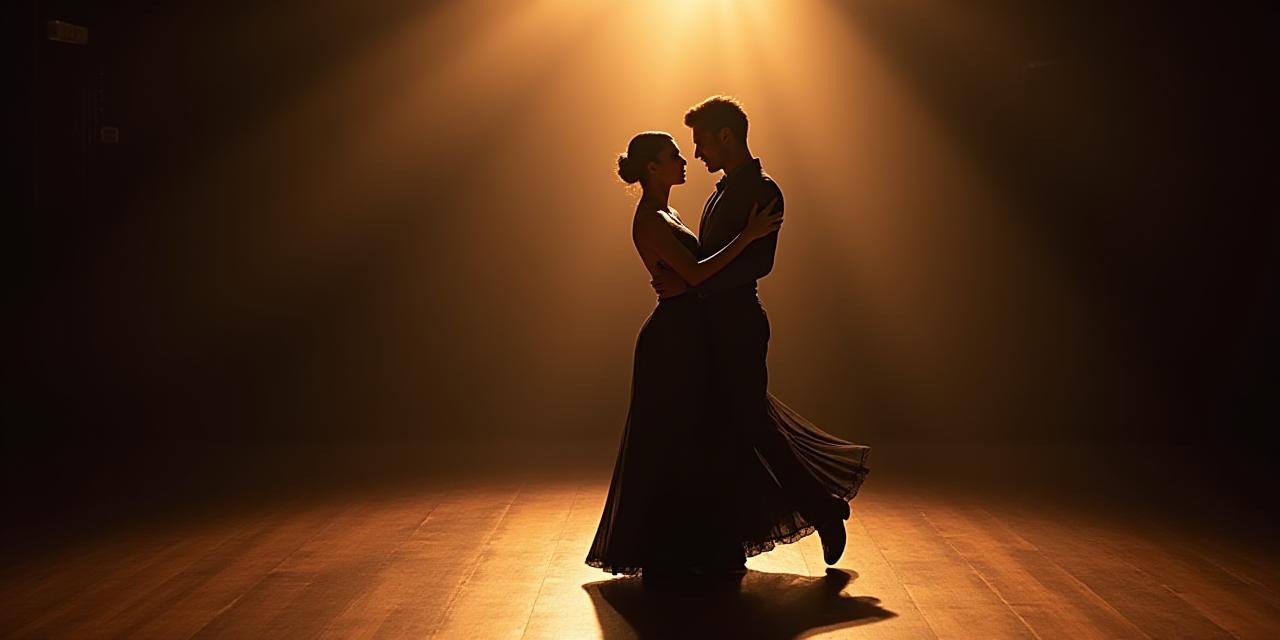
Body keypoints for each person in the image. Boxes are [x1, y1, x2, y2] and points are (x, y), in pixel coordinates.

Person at [651, 96, 870, 570]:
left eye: (702, 142)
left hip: (740, 323)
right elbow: (706, 257)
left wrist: (695, 280)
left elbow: (759, 263)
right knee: (728, 432)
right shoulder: (721, 190)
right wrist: (685, 277)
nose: (698, 153)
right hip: (713, 324)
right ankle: (732, 539)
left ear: (726, 136)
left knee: (753, 425)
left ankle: (823, 510)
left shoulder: (764, 191)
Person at [585, 131, 784, 577]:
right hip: (671, 340)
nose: (685, 160)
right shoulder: (652, 217)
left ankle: (697, 546)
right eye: (673, 156)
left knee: (693, 440)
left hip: (686, 335)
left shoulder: (668, 211)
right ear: (653, 168)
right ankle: (674, 551)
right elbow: (696, 273)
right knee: (674, 441)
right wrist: (750, 235)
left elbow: (692, 275)